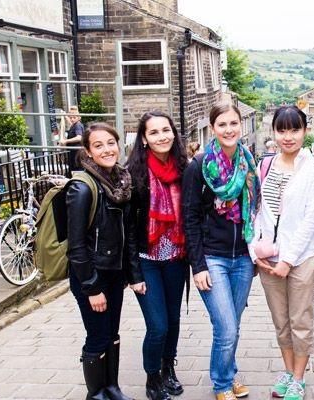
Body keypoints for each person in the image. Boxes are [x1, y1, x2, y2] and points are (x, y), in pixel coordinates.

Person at [183, 103, 260, 400]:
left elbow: (255, 210)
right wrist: (198, 265)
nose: (229, 130)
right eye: (222, 125)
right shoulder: (199, 166)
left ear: (240, 125)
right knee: (226, 326)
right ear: (213, 129)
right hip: (212, 258)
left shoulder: (248, 163)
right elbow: (189, 218)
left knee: (233, 324)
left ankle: (229, 372)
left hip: (242, 257)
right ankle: (222, 384)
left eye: (233, 123)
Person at [250, 105, 314, 400]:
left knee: (300, 321)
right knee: (280, 321)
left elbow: (310, 221)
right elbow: (256, 212)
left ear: (305, 131)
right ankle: (286, 370)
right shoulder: (265, 166)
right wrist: (254, 248)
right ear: (274, 133)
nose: (288, 136)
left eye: (294, 129)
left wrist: (288, 260)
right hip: (268, 259)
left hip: (301, 260)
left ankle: (298, 378)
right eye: (282, 130)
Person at [67, 122, 136, 400]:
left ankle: (112, 388)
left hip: (113, 275)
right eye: (98, 145)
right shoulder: (82, 189)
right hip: (91, 277)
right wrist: (92, 287)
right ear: (87, 151)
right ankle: (96, 394)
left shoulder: (120, 181)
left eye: (110, 142)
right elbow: (76, 246)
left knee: (112, 333)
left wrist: (129, 274)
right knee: (97, 336)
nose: (107, 149)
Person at [126, 112, 189, 400]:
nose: (162, 136)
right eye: (154, 132)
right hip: (147, 260)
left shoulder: (185, 169)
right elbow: (127, 227)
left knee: (173, 321)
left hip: (176, 258)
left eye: (166, 130)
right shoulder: (135, 174)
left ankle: (168, 369)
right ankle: (152, 378)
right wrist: (134, 274)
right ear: (144, 139)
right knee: (158, 326)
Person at [62, 106, 85, 172]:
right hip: (73, 152)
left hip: (76, 152)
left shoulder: (78, 125)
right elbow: (70, 122)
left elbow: (79, 137)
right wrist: (65, 116)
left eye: (74, 117)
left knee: (77, 169)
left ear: (79, 118)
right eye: (70, 117)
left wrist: (65, 141)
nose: (72, 119)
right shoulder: (74, 124)